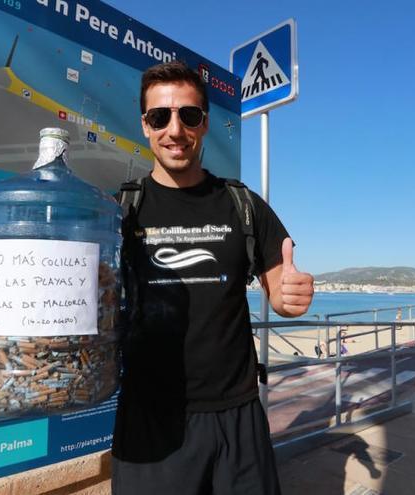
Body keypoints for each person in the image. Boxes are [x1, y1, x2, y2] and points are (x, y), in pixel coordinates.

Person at [111, 61, 314, 495]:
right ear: (144, 126)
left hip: (236, 416)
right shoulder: (120, 213)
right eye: (159, 116)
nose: (174, 129)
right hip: (149, 417)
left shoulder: (243, 205)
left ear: (205, 124)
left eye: (189, 115)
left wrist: (290, 296)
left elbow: (279, 290)